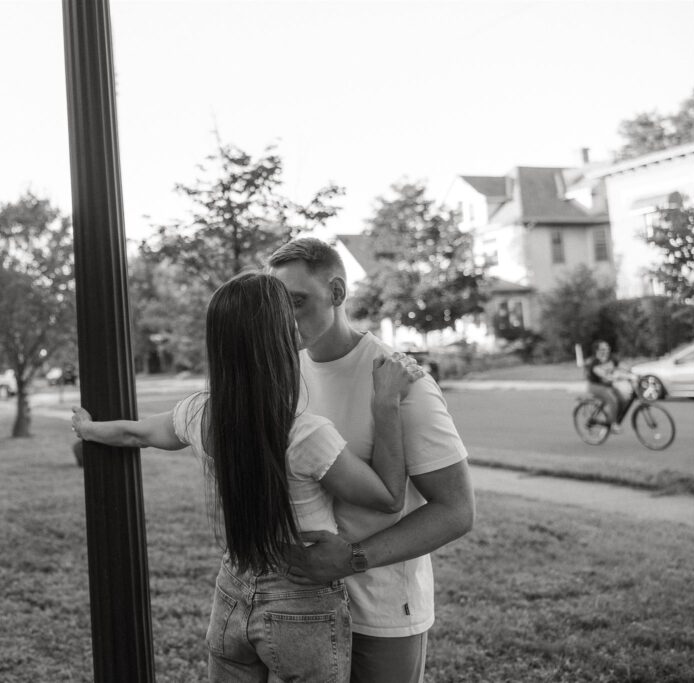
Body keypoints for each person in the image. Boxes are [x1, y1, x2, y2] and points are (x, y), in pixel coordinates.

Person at [71, 272, 423, 682]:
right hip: (299, 599)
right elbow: (388, 497)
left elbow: (137, 432)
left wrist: (90, 429)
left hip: (232, 591)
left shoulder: (199, 414)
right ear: (280, 339)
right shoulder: (306, 434)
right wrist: (386, 404)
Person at [267, 237, 475, 683]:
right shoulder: (286, 372)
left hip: (381, 612)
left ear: (337, 294)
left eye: (298, 301)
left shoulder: (401, 382)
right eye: (278, 304)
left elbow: (456, 510)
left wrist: (350, 560)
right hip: (298, 604)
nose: (286, 318)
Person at [584, 340, 631, 433]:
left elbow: (623, 366)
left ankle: (614, 419)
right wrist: (616, 377)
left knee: (624, 400)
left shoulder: (611, 358)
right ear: (597, 351)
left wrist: (632, 371)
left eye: (607, 348)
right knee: (613, 401)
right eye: (603, 349)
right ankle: (612, 425)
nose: (606, 350)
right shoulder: (594, 362)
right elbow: (602, 374)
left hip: (608, 386)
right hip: (596, 387)